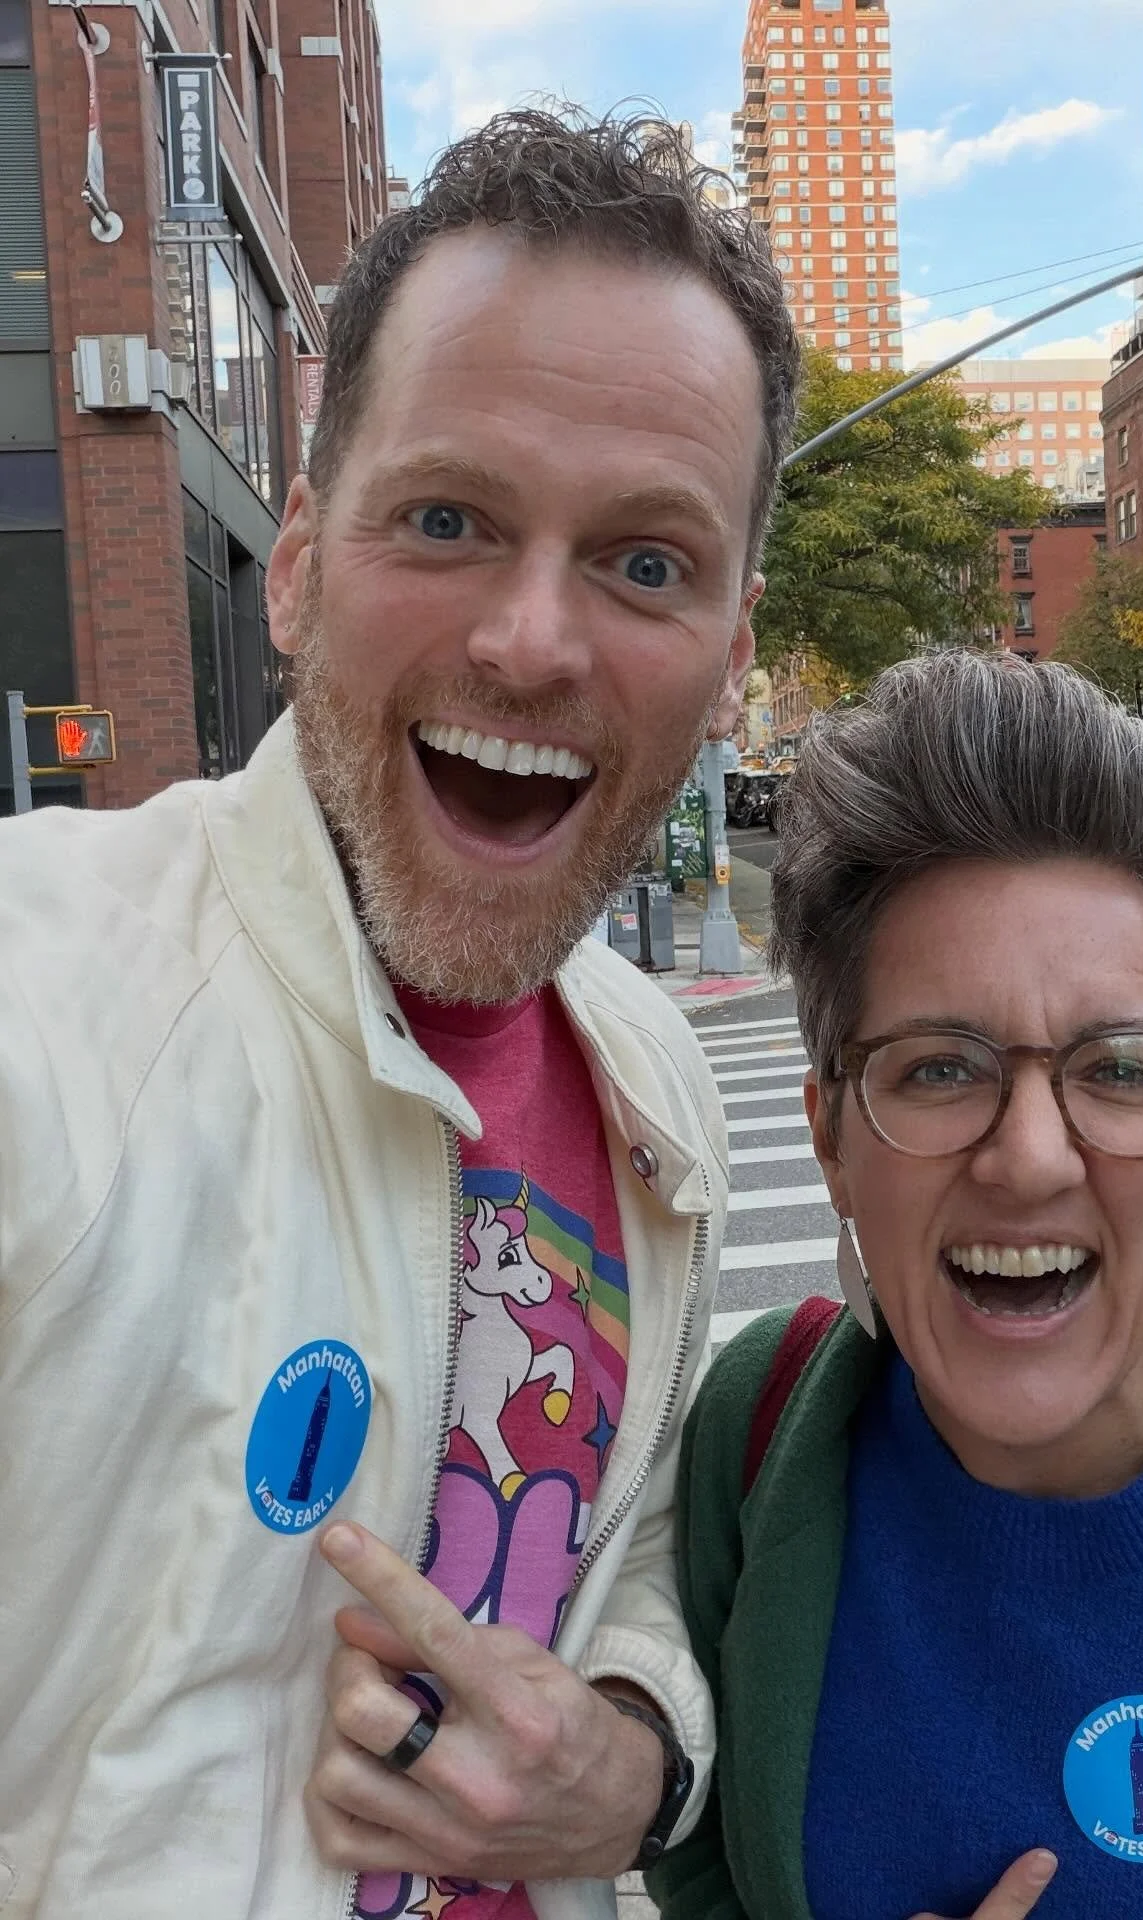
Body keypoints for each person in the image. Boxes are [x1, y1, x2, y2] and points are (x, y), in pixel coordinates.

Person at [0, 110, 800, 1916]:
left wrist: (638, 1744)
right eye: (447, 519)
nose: (532, 639)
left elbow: (641, 1527)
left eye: (646, 563)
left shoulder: (655, 1077)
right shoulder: (45, 1005)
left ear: (734, 659)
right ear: (295, 566)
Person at [651, 651, 1143, 1920]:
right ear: (831, 1138)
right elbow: (704, 1868)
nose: (1027, 1159)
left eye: (1121, 1072)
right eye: (938, 1069)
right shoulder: (755, 1447)